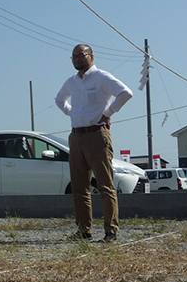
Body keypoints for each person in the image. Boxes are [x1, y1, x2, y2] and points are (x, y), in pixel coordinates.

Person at [55, 44, 133, 242]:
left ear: (91, 56)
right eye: (73, 57)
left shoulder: (102, 77)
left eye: (80, 55)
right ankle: (84, 230)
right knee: (80, 187)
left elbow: (126, 93)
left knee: (105, 185)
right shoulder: (72, 81)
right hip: (76, 136)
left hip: (97, 135)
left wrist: (108, 113)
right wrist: (71, 112)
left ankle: (111, 231)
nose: (76, 60)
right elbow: (59, 100)